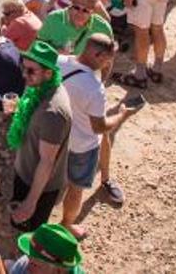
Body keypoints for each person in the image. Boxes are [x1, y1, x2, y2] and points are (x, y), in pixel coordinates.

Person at [58, 33, 136, 236]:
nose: (108, 66)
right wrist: (121, 116)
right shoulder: (93, 89)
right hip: (81, 146)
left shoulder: (59, 62)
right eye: (107, 61)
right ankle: (66, 225)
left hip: (55, 138)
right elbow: (99, 127)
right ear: (98, 55)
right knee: (75, 188)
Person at [8, 40, 71, 231]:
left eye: (31, 71)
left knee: (27, 232)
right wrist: (18, 108)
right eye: (24, 68)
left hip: (38, 185)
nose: (24, 75)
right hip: (25, 172)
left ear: (49, 73)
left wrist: (30, 202)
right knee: (16, 219)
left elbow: (47, 162)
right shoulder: (40, 87)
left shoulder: (53, 112)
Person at [37, 0, 112, 56]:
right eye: (76, 8)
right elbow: (38, 45)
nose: (80, 13)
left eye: (85, 10)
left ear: (92, 12)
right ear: (71, 5)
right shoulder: (54, 18)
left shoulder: (102, 27)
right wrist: (54, 52)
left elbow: (108, 58)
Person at [6, 223, 83, 274]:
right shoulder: (25, 263)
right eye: (29, 258)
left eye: (35, 265)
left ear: (58, 272)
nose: (27, 267)